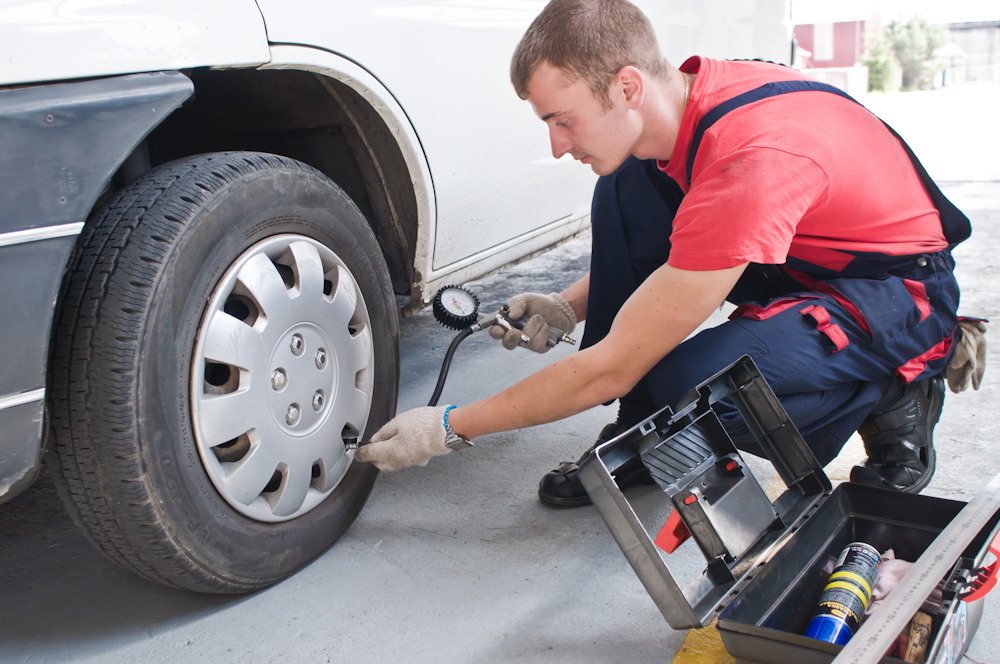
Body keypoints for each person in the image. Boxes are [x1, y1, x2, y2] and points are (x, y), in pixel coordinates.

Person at [357, 0, 984, 506]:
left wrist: (450, 426)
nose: (554, 146)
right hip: (802, 252)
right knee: (626, 184)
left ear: (627, 84)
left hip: (890, 290)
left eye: (563, 121)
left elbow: (620, 355)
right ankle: (638, 425)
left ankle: (898, 385)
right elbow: (683, 243)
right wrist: (567, 306)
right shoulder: (689, 99)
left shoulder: (750, 163)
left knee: (689, 389)